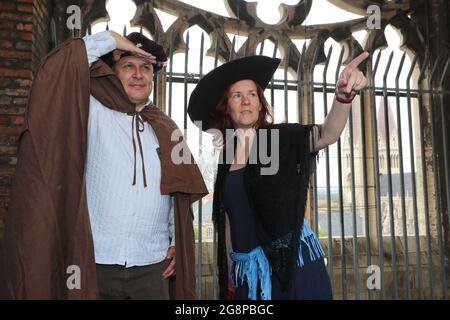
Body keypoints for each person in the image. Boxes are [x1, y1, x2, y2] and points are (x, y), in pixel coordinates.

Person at [2, 30, 207, 299]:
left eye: (146, 67)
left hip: (152, 265)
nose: (138, 74)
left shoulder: (166, 128)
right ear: (112, 72)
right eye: (128, 66)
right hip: (95, 263)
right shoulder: (90, 110)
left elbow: (176, 193)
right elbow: (62, 66)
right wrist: (112, 39)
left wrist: (176, 240)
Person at [187, 53, 368, 300]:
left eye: (252, 94)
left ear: (261, 103)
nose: (246, 102)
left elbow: (327, 134)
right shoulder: (227, 158)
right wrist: (231, 266)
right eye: (237, 96)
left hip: (292, 266)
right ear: (226, 106)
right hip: (247, 275)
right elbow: (230, 215)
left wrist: (343, 97)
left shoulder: (278, 139)